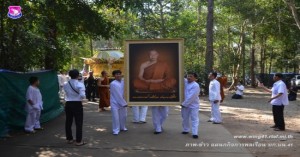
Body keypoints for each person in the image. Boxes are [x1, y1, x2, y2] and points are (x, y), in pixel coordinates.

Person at [64, 69, 86, 146]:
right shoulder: (80, 84)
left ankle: (69, 139)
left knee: (68, 122)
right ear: (77, 75)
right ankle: (78, 141)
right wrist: (80, 98)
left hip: (68, 103)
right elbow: (82, 95)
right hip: (77, 104)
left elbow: (66, 93)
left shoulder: (65, 84)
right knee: (78, 123)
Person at [181, 72, 200, 139]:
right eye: (188, 76)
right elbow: (180, 77)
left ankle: (195, 133)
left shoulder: (195, 85)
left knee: (194, 119)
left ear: (195, 78)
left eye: (191, 76)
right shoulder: (186, 82)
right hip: (185, 105)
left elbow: (191, 97)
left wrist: (184, 104)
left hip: (193, 105)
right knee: (185, 118)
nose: (189, 77)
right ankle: (185, 129)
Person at [110, 70, 128, 135]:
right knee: (115, 117)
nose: (118, 75)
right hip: (115, 102)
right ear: (114, 76)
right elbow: (117, 95)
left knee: (124, 116)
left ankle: (122, 127)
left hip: (123, 101)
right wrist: (124, 103)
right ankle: (116, 130)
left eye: (119, 74)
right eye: (116, 74)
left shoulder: (123, 81)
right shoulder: (113, 83)